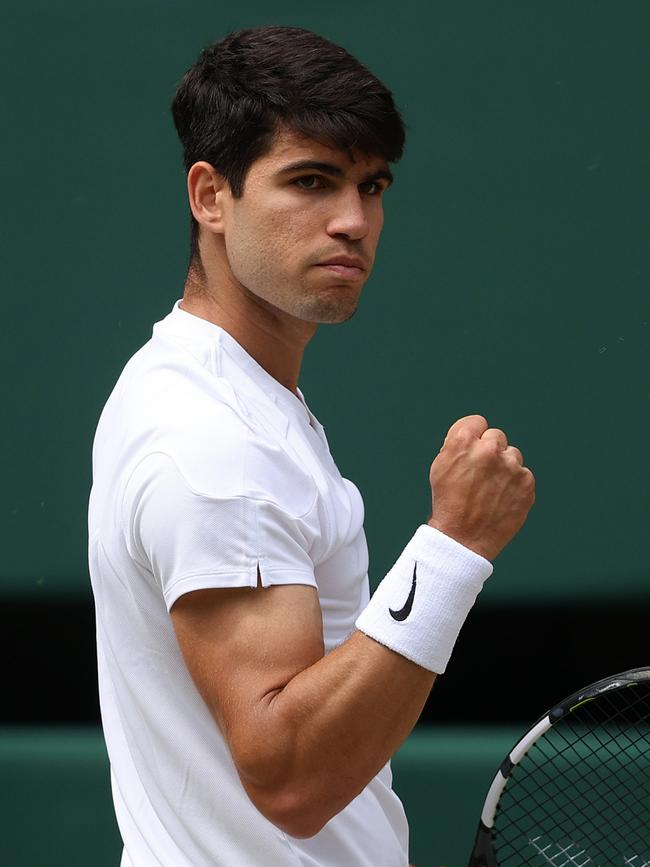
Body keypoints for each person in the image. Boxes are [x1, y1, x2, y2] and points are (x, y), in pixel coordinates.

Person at [88, 25, 535, 867]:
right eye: (311, 181)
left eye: (372, 186)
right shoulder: (215, 444)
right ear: (210, 196)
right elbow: (290, 774)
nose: (353, 220)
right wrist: (452, 547)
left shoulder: (200, 385)